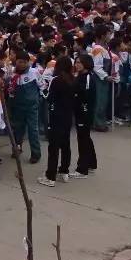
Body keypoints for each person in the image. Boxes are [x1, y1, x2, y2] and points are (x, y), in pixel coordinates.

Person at [39, 58, 76, 187]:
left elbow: (49, 98)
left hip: (56, 116)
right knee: (65, 144)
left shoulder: (56, 80)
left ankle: (50, 176)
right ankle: (64, 171)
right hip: (68, 116)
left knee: (53, 147)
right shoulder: (72, 79)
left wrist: (43, 91)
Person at [72, 53, 98, 176]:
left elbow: (86, 95)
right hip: (79, 111)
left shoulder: (87, 77)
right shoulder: (79, 76)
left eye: (79, 63)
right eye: (76, 62)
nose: (77, 65)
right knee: (85, 138)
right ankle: (91, 163)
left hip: (84, 112)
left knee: (83, 139)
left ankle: (82, 169)